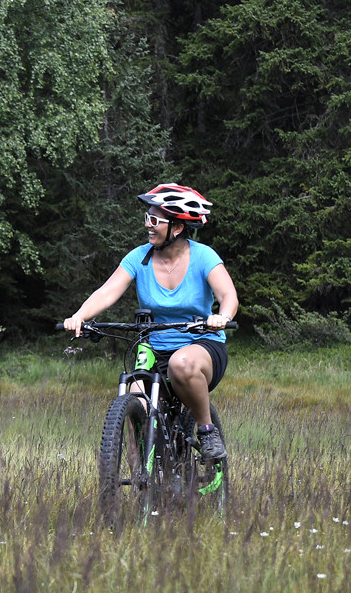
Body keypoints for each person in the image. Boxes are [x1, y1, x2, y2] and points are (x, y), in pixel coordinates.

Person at [61, 183, 239, 462]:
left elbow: (228, 295)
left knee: (182, 363)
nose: (148, 225)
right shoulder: (139, 257)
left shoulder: (203, 257)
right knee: (135, 395)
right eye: (147, 218)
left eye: (155, 220)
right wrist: (80, 316)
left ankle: (206, 430)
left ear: (177, 228)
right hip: (155, 347)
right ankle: (144, 476)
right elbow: (107, 292)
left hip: (201, 345)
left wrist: (222, 316)